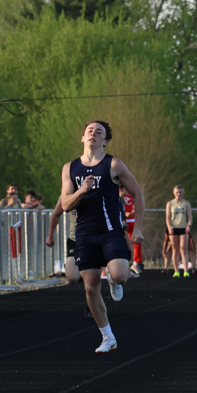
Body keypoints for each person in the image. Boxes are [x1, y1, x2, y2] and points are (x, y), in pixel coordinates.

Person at [60, 120, 145, 353]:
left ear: (105, 141)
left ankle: (114, 281)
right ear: (82, 137)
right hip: (84, 234)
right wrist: (82, 190)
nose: (93, 134)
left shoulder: (113, 164)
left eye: (99, 132)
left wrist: (137, 228)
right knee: (89, 287)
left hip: (110, 231)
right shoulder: (70, 168)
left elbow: (137, 193)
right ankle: (108, 337)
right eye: (89, 131)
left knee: (120, 276)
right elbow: (65, 204)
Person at [166, 184, 193, 278]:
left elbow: (190, 217)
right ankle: (176, 271)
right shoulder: (170, 204)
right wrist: (169, 227)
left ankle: (186, 271)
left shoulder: (186, 204)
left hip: (183, 228)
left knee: (183, 249)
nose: (179, 194)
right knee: (175, 249)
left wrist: (189, 226)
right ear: (174, 193)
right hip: (173, 228)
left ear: (183, 193)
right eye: (177, 192)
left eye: (180, 192)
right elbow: (168, 218)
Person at [120, 184, 144, 274]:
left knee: (137, 242)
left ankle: (136, 263)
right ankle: (124, 264)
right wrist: (125, 215)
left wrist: (134, 210)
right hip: (123, 223)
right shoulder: (116, 197)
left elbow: (138, 204)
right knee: (125, 243)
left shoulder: (133, 195)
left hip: (132, 221)